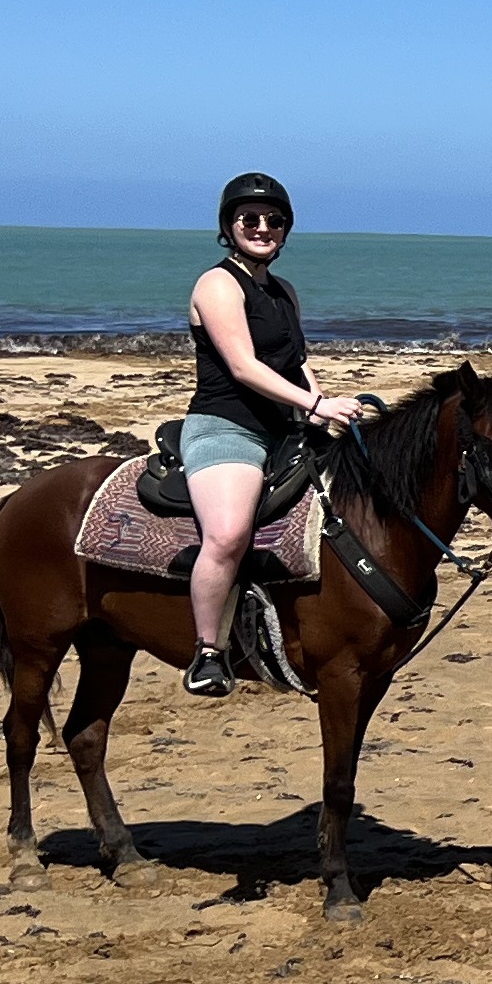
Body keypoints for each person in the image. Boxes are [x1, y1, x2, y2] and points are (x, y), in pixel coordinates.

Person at [179, 172, 364, 697]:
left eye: (274, 220)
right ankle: (208, 652)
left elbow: (295, 365)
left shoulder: (284, 291)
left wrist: (325, 409)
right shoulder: (216, 284)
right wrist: (314, 403)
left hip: (286, 428)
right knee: (228, 533)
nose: (263, 228)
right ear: (228, 226)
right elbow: (243, 366)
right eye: (250, 219)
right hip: (227, 427)